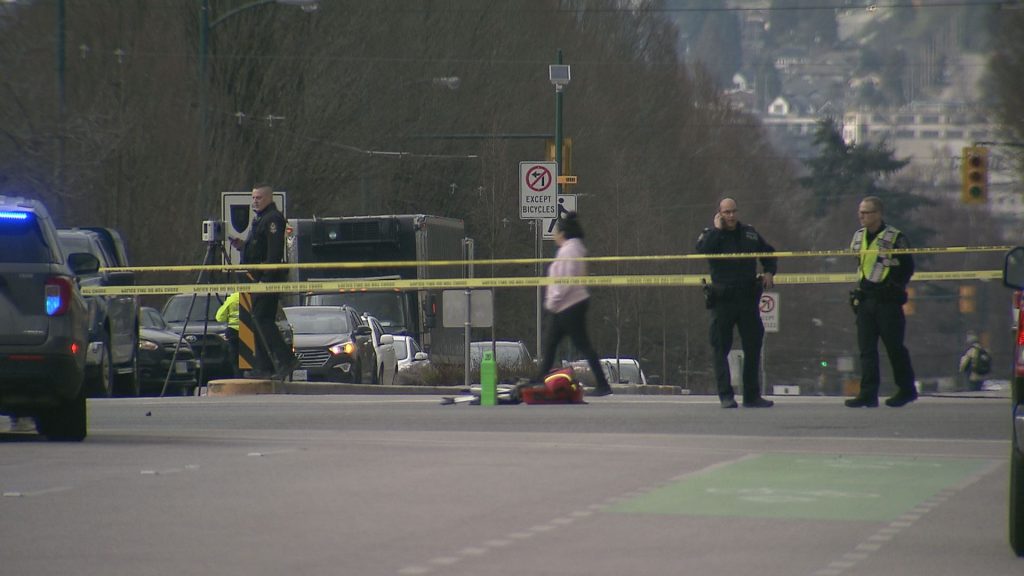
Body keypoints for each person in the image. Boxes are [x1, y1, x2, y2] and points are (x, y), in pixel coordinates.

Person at [696, 197, 777, 409]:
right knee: (720, 347)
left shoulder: (749, 233)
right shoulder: (712, 235)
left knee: (753, 346)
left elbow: (768, 252)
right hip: (723, 300)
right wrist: (717, 230)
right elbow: (702, 249)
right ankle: (726, 396)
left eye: (733, 212)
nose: (731, 216)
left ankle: (752, 396)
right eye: (726, 212)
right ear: (719, 213)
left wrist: (769, 271)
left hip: (747, 299)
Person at [845, 196, 917, 408]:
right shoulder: (858, 237)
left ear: (878, 214)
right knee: (866, 350)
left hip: (888, 302)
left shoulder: (895, 237)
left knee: (895, 348)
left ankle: (906, 390)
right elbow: (860, 264)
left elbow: (907, 266)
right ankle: (868, 394)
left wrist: (895, 287)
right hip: (866, 299)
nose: (861, 216)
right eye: (860, 212)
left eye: (866, 212)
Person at [534, 212, 613, 397]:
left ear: (563, 233)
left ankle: (602, 384)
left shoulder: (569, 251)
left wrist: (553, 301)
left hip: (568, 305)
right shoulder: (575, 248)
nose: (554, 236)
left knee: (577, 345)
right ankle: (539, 380)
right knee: (552, 344)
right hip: (569, 305)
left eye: (556, 232)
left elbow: (565, 281)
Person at [230, 184, 298, 380]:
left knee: (261, 318)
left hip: (268, 278)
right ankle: (267, 367)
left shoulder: (273, 220)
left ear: (268, 198)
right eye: (253, 197)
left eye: (259, 198)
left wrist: (266, 279)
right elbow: (258, 248)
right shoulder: (259, 219)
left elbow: (273, 253)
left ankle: (285, 361)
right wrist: (243, 246)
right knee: (258, 318)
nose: (254, 201)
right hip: (259, 277)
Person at [215, 292, 241, 378]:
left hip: (234, 331)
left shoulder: (232, 298)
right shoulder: (252, 296)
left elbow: (219, 317)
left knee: (234, 357)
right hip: (251, 331)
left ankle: (238, 376)